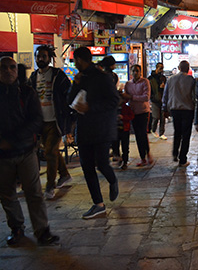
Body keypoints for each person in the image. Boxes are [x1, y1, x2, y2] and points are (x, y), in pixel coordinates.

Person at [0, 56, 59, 245]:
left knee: (34, 192)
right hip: (3, 155)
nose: (8, 71)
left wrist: (14, 139)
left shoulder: (27, 93)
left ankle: (42, 230)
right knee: (7, 194)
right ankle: (16, 228)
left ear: (17, 71)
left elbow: (35, 120)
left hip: (25, 151)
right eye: (3, 68)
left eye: (11, 67)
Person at [68, 47, 119, 219]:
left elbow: (114, 101)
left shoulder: (102, 77)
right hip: (84, 128)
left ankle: (112, 180)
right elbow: (70, 102)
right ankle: (98, 204)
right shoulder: (80, 78)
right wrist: (75, 85)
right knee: (87, 166)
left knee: (102, 164)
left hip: (101, 128)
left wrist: (92, 108)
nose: (75, 64)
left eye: (76, 61)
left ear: (81, 60)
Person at [29, 45, 72, 200]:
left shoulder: (58, 76)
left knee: (49, 152)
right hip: (40, 122)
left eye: (44, 56)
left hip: (55, 121)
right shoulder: (33, 77)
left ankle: (50, 186)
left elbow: (68, 95)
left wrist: (68, 121)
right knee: (51, 151)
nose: (40, 59)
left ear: (50, 58)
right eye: (38, 56)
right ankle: (65, 174)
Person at [162, 61, 196, 167]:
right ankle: (182, 158)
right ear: (188, 68)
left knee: (177, 132)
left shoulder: (171, 79)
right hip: (187, 110)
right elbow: (194, 96)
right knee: (186, 135)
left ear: (179, 68)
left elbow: (166, 94)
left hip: (175, 109)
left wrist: (164, 108)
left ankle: (175, 152)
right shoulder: (191, 80)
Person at [123, 64, 153, 167]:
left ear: (140, 72)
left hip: (143, 111)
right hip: (133, 112)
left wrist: (131, 97)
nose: (135, 73)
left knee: (143, 134)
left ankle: (147, 153)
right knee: (137, 135)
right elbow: (126, 98)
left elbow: (146, 97)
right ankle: (143, 157)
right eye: (133, 71)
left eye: (137, 71)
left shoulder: (145, 82)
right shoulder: (128, 84)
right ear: (131, 72)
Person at [114, 93, 134, 170]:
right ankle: (119, 158)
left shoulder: (126, 107)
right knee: (115, 145)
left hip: (124, 130)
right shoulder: (113, 108)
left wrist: (123, 117)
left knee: (125, 146)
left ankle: (125, 161)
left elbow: (131, 116)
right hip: (115, 130)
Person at [148, 63, 167, 140]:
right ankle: (153, 129)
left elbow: (166, 88)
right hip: (155, 99)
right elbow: (149, 89)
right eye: (160, 68)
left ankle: (162, 133)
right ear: (156, 68)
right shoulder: (151, 78)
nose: (161, 70)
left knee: (163, 117)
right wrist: (151, 97)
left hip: (162, 99)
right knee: (156, 116)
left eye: (162, 68)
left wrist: (163, 87)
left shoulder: (163, 78)